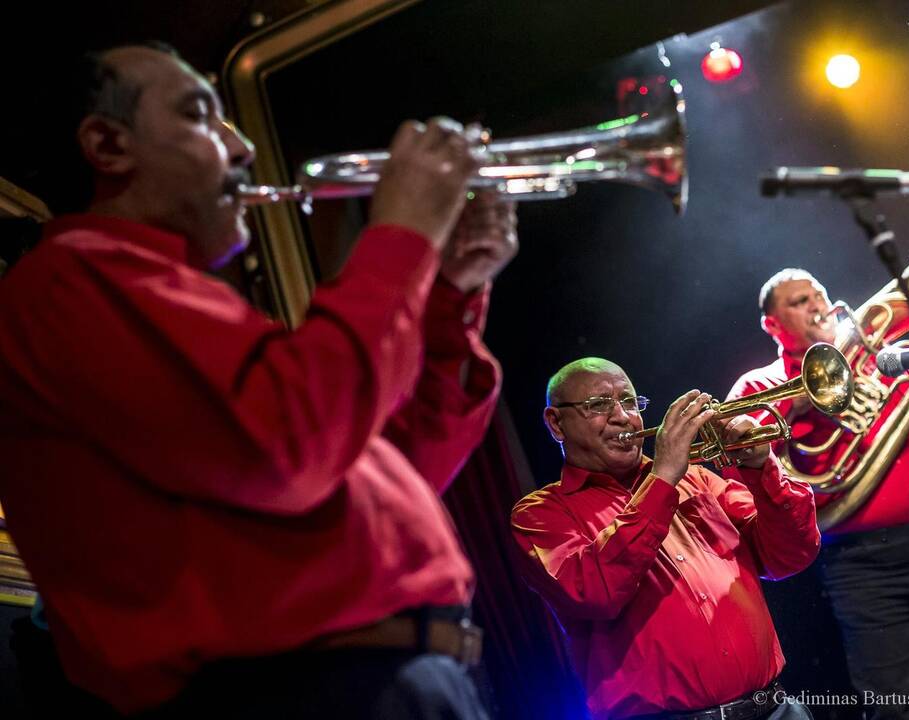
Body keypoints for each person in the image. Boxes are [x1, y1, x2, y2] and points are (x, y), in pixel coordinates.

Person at [0, 43, 518, 718]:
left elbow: (399, 465)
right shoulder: (69, 279)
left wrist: (446, 294)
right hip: (304, 693)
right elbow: (292, 446)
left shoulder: (163, 296)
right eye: (200, 115)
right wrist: (401, 236)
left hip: (373, 681)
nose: (241, 147)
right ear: (106, 144)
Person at [727, 269, 909, 720]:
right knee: (897, 707)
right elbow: (745, 480)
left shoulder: (882, 360)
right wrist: (795, 403)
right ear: (772, 326)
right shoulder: (759, 387)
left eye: (818, 292)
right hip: (862, 566)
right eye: (799, 301)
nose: (817, 304)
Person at [510, 357, 820, 720]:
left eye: (629, 402)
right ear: (556, 423)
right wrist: (662, 479)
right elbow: (595, 593)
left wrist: (759, 465)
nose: (623, 417)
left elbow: (791, 555)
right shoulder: (539, 514)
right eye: (599, 405)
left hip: (775, 708)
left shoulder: (699, 480)